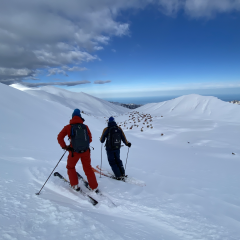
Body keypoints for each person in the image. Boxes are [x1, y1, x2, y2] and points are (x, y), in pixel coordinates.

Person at [57, 109, 98, 192]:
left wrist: (65, 147)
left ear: (72, 117)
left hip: (74, 152)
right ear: (80, 117)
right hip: (86, 151)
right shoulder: (85, 127)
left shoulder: (68, 127)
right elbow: (90, 139)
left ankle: (75, 185)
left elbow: (59, 137)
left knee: (70, 167)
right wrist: (83, 145)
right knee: (88, 168)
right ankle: (93, 186)